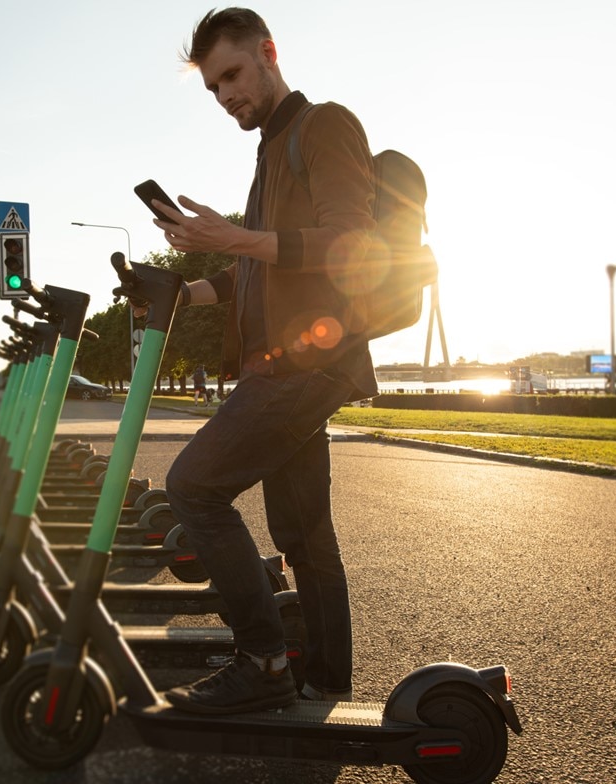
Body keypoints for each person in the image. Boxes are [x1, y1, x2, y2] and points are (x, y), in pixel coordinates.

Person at [149, 7, 379, 715]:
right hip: (285, 365)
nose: (226, 97)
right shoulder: (270, 152)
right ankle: (328, 682)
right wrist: (183, 289)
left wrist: (238, 238)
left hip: (306, 363)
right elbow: (258, 269)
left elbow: (349, 240)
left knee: (194, 486)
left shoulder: (324, 126)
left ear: (269, 52)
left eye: (232, 75)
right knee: (304, 537)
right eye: (214, 88)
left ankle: (263, 659)